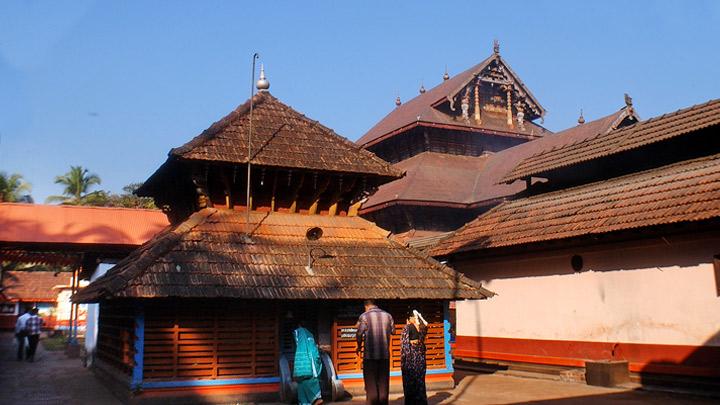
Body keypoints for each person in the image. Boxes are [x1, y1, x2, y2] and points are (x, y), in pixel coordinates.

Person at [356, 299, 394, 405]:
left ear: (366, 306)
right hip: (384, 356)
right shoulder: (388, 316)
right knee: (383, 385)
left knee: (371, 385)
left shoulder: (364, 316)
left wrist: (359, 346)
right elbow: (393, 331)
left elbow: (359, 334)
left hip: (370, 357)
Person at [401, 310, 429, 405]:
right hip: (420, 357)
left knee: (411, 380)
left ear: (411, 318)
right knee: (420, 380)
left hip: (411, 357)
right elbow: (425, 324)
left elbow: (404, 345)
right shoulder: (422, 328)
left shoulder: (407, 327)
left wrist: (405, 360)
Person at [293, 322, 323, 405]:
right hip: (312, 361)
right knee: (307, 381)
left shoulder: (299, 332)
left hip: (306, 363)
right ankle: (315, 398)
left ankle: (316, 398)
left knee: (305, 382)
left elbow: (298, 343)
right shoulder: (310, 335)